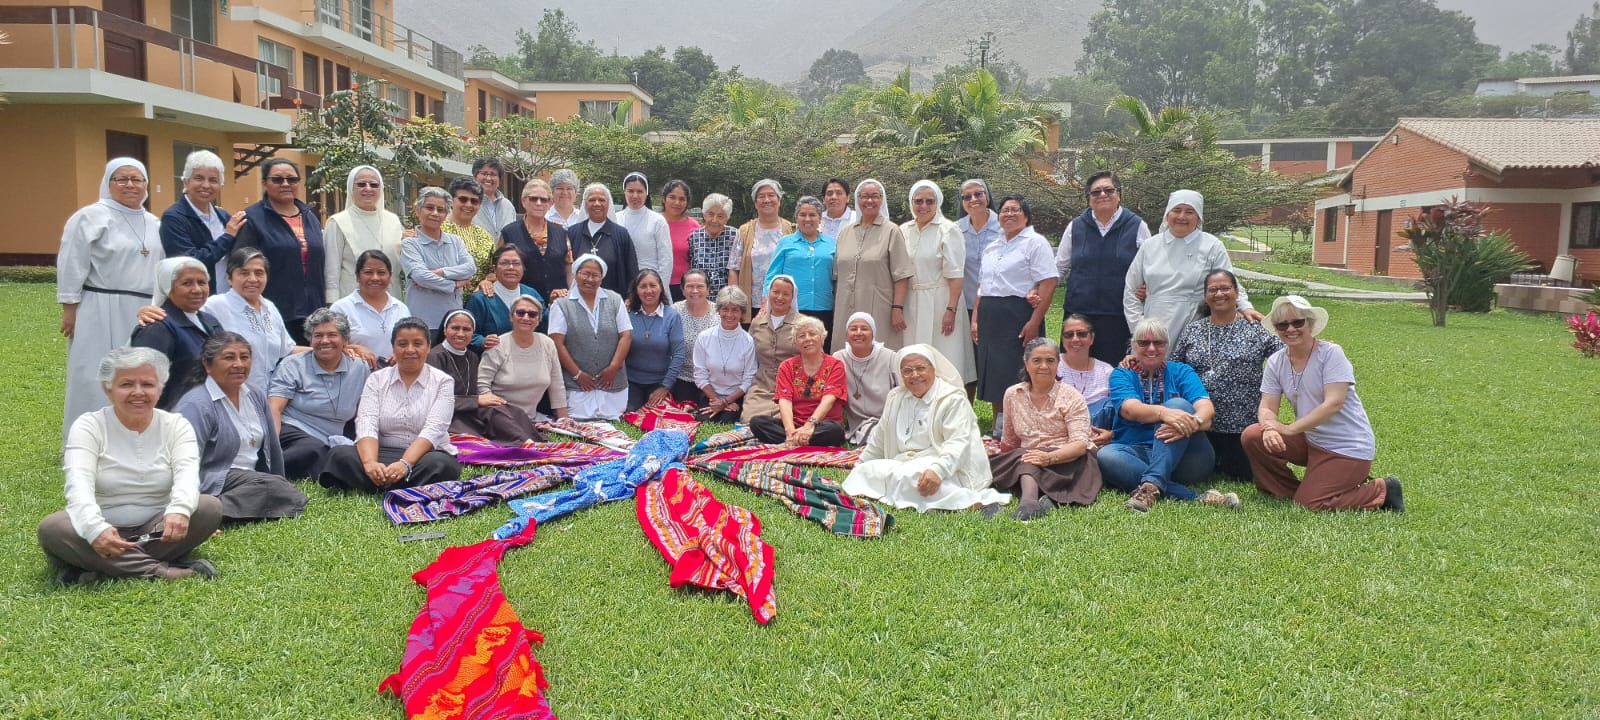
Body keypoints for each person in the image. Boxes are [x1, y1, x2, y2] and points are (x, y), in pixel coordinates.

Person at [38, 347, 224, 583]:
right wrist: (95, 530)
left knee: (208, 507)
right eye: (126, 384)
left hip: (159, 531)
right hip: (103, 529)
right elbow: (78, 486)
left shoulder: (176, 425)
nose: (138, 392)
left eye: (147, 384)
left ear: (159, 388)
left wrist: (179, 510)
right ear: (109, 389)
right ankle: (162, 572)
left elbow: (187, 476)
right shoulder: (89, 427)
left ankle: (98, 570)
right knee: (53, 527)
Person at [1242, 296, 1403, 512]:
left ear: (1310, 324)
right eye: (1282, 325)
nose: (1290, 329)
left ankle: (1381, 490)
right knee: (1254, 435)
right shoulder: (1276, 361)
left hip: (1347, 447)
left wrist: (1289, 429)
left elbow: (1333, 404)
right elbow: (1267, 407)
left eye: (1297, 322)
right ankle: (1289, 491)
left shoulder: (1331, 354)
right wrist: (1270, 428)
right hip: (1311, 440)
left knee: (1310, 504)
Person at [59, 157, 165, 433]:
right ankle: (86, 435)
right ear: (108, 182)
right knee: (94, 372)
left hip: (144, 308)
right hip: (99, 305)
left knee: (138, 373)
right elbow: (72, 261)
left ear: (146, 185)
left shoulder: (155, 223)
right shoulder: (89, 217)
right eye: (122, 179)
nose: (130, 185)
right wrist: (70, 308)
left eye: (137, 179)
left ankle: (133, 432)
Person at [841, 345, 1005, 512]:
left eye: (921, 368)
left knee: (911, 477)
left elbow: (958, 443)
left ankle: (968, 501)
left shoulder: (952, 399)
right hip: (902, 464)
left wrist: (938, 471)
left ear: (933, 369)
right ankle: (934, 500)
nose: (915, 375)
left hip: (942, 464)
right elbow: (879, 439)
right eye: (907, 371)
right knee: (871, 470)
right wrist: (860, 467)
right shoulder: (896, 397)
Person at [1100, 318, 1238, 513]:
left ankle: (1150, 484)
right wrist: (1164, 413)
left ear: (1167, 346)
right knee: (1107, 455)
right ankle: (1185, 494)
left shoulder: (1181, 371)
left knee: (1179, 404)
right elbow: (1130, 409)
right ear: (1133, 346)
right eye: (1143, 343)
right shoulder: (1122, 374)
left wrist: (1192, 422)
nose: (1151, 348)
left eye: (1158, 343)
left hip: (1187, 459)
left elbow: (1206, 410)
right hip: (1139, 454)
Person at [173, 332, 308, 522]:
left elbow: (273, 448)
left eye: (245, 357)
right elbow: (184, 461)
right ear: (207, 364)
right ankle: (203, 514)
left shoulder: (255, 394)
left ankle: (213, 512)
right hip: (213, 480)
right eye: (229, 357)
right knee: (273, 488)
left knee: (276, 487)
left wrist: (279, 479)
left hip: (251, 479)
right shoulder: (196, 404)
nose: (239, 364)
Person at [319, 317, 461, 492]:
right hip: (381, 451)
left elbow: (434, 429)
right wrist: (370, 463)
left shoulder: (443, 381)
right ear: (393, 348)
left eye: (417, 344)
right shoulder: (377, 379)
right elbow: (366, 422)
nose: (410, 350)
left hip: (424, 456)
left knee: (441, 464)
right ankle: (396, 483)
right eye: (402, 344)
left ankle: (378, 484)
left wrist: (405, 464)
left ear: (428, 347)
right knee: (340, 454)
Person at [1170, 269, 1283, 481]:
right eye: (1213, 289)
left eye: (1225, 288)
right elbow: (1174, 370)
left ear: (1237, 293)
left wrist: (1318, 348)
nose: (1219, 294)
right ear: (1205, 296)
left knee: (1243, 474)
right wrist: (1133, 362)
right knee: (1197, 472)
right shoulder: (1193, 330)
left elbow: (1287, 356)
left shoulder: (1256, 328)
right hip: (1202, 425)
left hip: (1243, 426)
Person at [972, 195, 1058, 436]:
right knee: (994, 372)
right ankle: (999, 425)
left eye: (1015, 210)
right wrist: (975, 318)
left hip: (1018, 315)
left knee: (1016, 371)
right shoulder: (993, 245)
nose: (1009, 214)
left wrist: (1034, 321)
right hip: (991, 314)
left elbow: (1048, 282)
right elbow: (982, 285)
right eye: (1004, 210)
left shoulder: (1035, 243)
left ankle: (1021, 425)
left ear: (1026, 215)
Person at [1124, 189, 1258, 343]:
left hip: (1194, 327)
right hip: (1153, 328)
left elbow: (1229, 283)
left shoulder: (1212, 246)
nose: (1182, 217)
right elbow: (1131, 291)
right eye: (1176, 210)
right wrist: (1139, 329)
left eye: (1189, 212)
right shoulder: (1150, 246)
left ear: (1198, 218)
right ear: (1168, 214)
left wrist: (1246, 307)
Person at [991, 338, 1104, 521]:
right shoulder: (1013, 394)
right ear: (1026, 363)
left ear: (1058, 364)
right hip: (1027, 455)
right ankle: (1047, 497)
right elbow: (1010, 441)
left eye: (1050, 361)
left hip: (1068, 458)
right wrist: (1004, 462)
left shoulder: (1071, 397)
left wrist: (1049, 457)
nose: (1044, 366)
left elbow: (1079, 445)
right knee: (1002, 461)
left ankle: (1029, 504)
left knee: (1030, 458)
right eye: (1037, 361)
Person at [1056, 171, 1150, 364]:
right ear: (1089, 198)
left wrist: (1148, 288)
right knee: (1074, 367)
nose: (1102, 195)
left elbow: (1151, 267)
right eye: (1095, 192)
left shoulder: (1136, 226)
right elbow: (1059, 267)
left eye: (1108, 190)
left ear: (1119, 194)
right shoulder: (1076, 226)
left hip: (1119, 314)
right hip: (1079, 313)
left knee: (1117, 370)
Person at [269, 309, 371, 479]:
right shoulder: (292, 365)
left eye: (332, 335)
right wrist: (272, 447)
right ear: (310, 339)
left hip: (333, 437)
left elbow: (366, 411)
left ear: (345, 340)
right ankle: (267, 471)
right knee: (312, 449)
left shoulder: (359, 367)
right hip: (293, 429)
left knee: (347, 456)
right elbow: (274, 408)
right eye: (318, 335)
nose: (325, 341)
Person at [231, 159, 324, 345]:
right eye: (277, 180)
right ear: (264, 183)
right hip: (274, 309)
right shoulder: (252, 219)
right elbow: (241, 265)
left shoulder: (309, 216)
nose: (285, 184)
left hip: (313, 311)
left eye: (292, 180)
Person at [901, 180, 975, 383]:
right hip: (911, 301)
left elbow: (956, 274)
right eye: (918, 201)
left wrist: (950, 310)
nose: (923, 206)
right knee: (915, 354)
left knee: (944, 355)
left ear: (938, 203)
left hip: (941, 301)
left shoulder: (948, 230)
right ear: (911, 202)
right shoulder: (904, 230)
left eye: (929, 201)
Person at [202, 248, 304, 396]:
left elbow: (287, 350)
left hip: (266, 396)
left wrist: (337, 349)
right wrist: (155, 311)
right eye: (244, 273)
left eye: (259, 273)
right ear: (229, 278)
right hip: (230, 395)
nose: (253, 279)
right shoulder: (215, 305)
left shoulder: (269, 307)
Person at [427, 310, 540, 444]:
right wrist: (476, 401)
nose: (461, 334)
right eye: (455, 328)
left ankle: (535, 440)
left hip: (468, 410)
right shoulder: (435, 357)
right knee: (492, 415)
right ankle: (524, 443)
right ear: (445, 330)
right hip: (448, 416)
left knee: (511, 410)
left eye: (466, 329)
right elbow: (432, 400)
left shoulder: (472, 357)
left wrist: (480, 401)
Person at [131, 257, 223, 409]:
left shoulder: (209, 321)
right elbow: (144, 381)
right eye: (187, 283)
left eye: (202, 282)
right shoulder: (157, 328)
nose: (197, 290)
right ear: (168, 288)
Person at [833, 178, 913, 352]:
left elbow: (902, 275)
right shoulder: (845, 234)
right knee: (845, 354)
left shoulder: (891, 231)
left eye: (875, 196)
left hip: (880, 309)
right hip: (845, 307)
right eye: (864, 196)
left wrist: (897, 308)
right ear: (857, 200)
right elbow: (837, 276)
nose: (869, 201)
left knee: (879, 354)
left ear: (882, 200)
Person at [550, 254, 633, 420]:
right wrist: (577, 374)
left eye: (595, 275)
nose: (590, 279)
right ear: (576, 274)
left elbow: (626, 335)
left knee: (612, 417)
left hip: (612, 383)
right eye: (585, 273)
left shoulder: (615, 300)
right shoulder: (562, 304)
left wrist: (613, 368)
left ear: (602, 278)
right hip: (577, 386)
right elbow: (557, 343)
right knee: (579, 418)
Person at [749, 316, 847, 447]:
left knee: (835, 431)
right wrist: (790, 431)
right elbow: (784, 400)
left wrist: (810, 425)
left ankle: (796, 440)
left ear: (822, 339)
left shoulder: (836, 365)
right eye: (802, 336)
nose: (807, 338)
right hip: (795, 425)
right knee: (757, 423)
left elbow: (829, 400)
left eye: (812, 334)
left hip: (822, 424)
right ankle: (797, 439)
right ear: (796, 343)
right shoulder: (787, 366)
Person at [161, 150, 246, 290]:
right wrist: (227, 237)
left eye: (213, 180)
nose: (206, 185)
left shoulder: (223, 217)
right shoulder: (174, 218)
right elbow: (190, 262)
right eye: (199, 178)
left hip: (226, 300)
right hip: (196, 299)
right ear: (186, 182)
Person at [478, 295, 568, 423]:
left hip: (531, 418)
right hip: (498, 416)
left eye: (532, 314)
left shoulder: (547, 344)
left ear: (538, 319)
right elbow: (482, 386)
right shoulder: (497, 345)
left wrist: (564, 419)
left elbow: (556, 384)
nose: (526, 318)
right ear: (511, 316)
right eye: (520, 313)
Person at [323, 165, 405, 301]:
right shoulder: (338, 222)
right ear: (351, 188)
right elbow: (331, 270)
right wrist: (332, 303)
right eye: (361, 184)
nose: (368, 188)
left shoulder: (393, 220)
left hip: (390, 299)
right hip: (352, 301)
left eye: (374, 185)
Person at [402, 187, 476, 331]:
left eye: (441, 210)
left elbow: (470, 268)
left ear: (446, 215)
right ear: (418, 211)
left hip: (454, 323)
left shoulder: (456, 241)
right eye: (429, 208)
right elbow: (420, 276)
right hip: (422, 323)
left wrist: (441, 272)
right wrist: (454, 285)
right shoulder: (410, 243)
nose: (435, 213)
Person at [499, 178, 571, 318]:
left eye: (544, 200)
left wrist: (570, 293)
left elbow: (569, 268)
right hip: (522, 308)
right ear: (523, 201)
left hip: (557, 305)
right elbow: (498, 268)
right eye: (533, 199)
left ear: (550, 203)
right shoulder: (509, 233)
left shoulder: (561, 232)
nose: (539, 203)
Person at [766, 196, 837, 336]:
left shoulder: (832, 244)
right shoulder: (785, 243)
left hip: (825, 308)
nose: (807, 219)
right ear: (797, 218)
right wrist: (766, 302)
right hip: (792, 308)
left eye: (812, 215)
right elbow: (772, 275)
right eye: (803, 215)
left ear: (820, 218)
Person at [728, 178, 794, 318]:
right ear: (755, 203)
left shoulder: (791, 230)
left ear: (779, 200)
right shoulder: (744, 231)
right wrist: (733, 301)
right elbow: (734, 268)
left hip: (783, 302)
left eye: (771, 195)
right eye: (761, 196)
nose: (766, 200)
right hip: (752, 303)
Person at [329, 249, 410, 362]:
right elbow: (329, 345)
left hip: (394, 375)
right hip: (356, 374)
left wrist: (402, 353)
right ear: (357, 276)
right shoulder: (341, 308)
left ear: (390, 276)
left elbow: (410, 343)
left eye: (381, 273)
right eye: (368, 272)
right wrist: (353, 349)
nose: (375, 278)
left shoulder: (401, 308)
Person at [740, 275, 801, 423]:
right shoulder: (757, 323)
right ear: (769, 293)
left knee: (789, 419)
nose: (780, 297)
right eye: (776, 292)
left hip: (792, 386)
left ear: (793, 297)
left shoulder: (802, 324)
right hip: (762, 384)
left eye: (786, 294)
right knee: (748, 420)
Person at [623, 269, 686, 412]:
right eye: (643, 286)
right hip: (631, 381)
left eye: (653, 285)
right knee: (629, 413)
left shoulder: (672, 316)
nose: (648, 290)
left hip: (661, 382)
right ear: (636, 290)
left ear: (661, 288)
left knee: (657, 416)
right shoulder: (627, 314)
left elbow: (678, 355)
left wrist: (665, 387)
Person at [832, 312, 898, 445]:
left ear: (873, 333)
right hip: (856, 423)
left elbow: (901, 390)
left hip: (888, 419)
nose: (858, 333)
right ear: (847, 334)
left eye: (864, 329)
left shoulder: (890, 356)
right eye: (853, 329)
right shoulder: (839, 357)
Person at [694, 286, 757, 423]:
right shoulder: (704, 337)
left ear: (742, 312)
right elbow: (700, 375)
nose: (729, 315)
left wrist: (726, 402)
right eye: (725, 309)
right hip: (710, 395)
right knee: (704, 421)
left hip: (736, 396)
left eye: (735, 310)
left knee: (726, 422)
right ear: (718, 311)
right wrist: (717, 401)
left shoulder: (748, 341)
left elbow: (748, 379)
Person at [464, 245, 544, 352]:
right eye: (504, 263)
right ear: (494, 268)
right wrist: (482, 341)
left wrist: (555, 302)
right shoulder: (480, 299)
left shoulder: (532, 294)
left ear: (523, 268)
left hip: (528, 357)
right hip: (493, 360)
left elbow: (545, 325)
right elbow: (465, 332)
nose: (511, 268)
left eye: (516, 263)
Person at [567, 183, 639, 298]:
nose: (597, 204)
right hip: (578, 300)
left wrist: (631, 299)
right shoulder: (572, 233)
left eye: (601, 200)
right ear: (585, 204)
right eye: (592, 200)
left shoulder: (621, 234)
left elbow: (632, 271)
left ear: (608, 204)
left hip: (613, 301)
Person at [1056, 314, 1116, 445]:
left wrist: (1112, 434)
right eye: (1069, 335)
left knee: (1112, 402)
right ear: (1062, 339)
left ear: (1092, 338)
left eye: (1082, 334)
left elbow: (1119, 410)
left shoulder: (1106, 371)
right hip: (1059, 425)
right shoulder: (1053, 365)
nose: (1075, 339)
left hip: (1097, 430)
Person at [616, 172, 674, 297]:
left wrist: (659, 288)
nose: (635, 195)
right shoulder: (615, 219)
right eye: (630, 191)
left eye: (640, 191)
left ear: (646, 193)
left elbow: (666, 260)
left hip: (651, 287)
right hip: (622, 284)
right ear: (624, 192)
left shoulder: (657, 221)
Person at [671, 269, 718, 406]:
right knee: (684, 411)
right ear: (683, 289)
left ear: (708, 289)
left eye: (700, 286)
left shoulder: (720, 313)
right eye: (690, 286)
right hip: (683, 376)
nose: (695, 291)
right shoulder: (674, 311)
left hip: (712, 379)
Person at [955, 178, 999, 321]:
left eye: (978, 194)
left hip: (998, 303)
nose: (973, 199)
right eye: (967, 197)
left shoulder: (1005, 226)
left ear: (987, 196)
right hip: (965, 305)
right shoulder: (954, 230)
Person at [442, 177, 497, 288]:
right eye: (463, 199)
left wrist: (487, 281)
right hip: (443, 299)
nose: (468, 204)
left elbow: (494, 270)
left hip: (477, 301)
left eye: (474, 201)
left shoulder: (485, 236)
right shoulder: (437, 230)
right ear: (451, 201)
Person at [688, 193, 738, 297]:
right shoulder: (694, 238)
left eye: (720, 216)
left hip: (728, 301)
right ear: (704, 215)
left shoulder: (736, 236)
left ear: (727, 218)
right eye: (710, 214)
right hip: (700, 298)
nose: (714, 220)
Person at [660, 180, 702, 299]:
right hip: (656, 285)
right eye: (672, 197)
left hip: (684, 287)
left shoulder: (694, 227)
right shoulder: (653, 222)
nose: (677, 202)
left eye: (682, 199)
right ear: (664, 199)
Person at [470, 157, 516, 244]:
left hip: (502, 256)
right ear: (475, 177)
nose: (488, 178)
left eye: (493, 174)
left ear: (499, 180)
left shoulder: (507, 206)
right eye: (484, 173)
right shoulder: (467, 203)